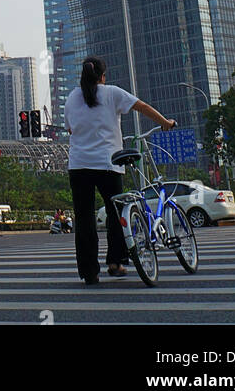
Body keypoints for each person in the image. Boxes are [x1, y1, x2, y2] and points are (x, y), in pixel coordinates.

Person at [66, 55, 174, 285]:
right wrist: (165, 122)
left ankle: (89, 272)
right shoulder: (112, 92)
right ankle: (115, 262)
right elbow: (141, 106)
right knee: (117, 215)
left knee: (84, 220)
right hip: (108, 164)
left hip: (78, 166)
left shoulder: (71, 98)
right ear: (103, 76)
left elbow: (70, 130)